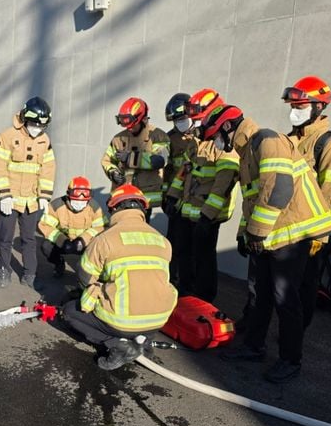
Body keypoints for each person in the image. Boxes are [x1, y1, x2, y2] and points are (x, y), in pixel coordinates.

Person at [202, 105, 331, 383]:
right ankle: (253, 346)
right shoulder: (247, 152)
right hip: (270, 234)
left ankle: (290, 360)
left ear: (227, 127)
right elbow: (253, 200)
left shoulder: (267, 140)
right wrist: (245, 233)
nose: (216, 142)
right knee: (260, 293)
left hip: (294, 234)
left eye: (216, 135)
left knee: (285, 298)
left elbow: (278, 190)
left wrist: (256, 233)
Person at [62, 184, 178, 370]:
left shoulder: (105, 239)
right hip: (157, 321)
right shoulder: (163, 241)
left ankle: (117, 345)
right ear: (142, 209)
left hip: (120, 322)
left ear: (114, 209)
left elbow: (85, 276)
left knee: (69, 312)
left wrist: (96, 289)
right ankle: (144, 341)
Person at [283, 76, 331, 329]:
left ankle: (294, 341)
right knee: (280, 292)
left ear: (318, 106)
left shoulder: (330, 146)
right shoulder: (289, 140)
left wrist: (317, 237)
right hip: (284, 232)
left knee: (303, 290)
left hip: (308, 237)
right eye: (293, 106)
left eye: (300, 106)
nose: (294, 111)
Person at [165, 94, 239, 302]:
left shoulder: (224, 145)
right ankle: (185, 293)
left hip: (207, 215)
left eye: (200, 119)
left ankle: (204, 299)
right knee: (183, 253)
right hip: (187, 209)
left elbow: (223, 185)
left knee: (203, 259)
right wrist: (172, 197)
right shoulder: (197, 142)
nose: (196, 124)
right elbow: (184, 171)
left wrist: (207, 216)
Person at [0, 96, 56, 289]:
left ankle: (30, 273)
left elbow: (48, 168)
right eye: (35, 125)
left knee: (29, 239)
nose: (38, 129)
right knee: (5, 239)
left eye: (42, 126)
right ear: (25, 119)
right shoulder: (8, 136)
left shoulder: (44, 140)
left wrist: (44, 195)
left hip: (31, 200)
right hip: (9, 199)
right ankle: (4, 271)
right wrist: (4, 194)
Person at [101, 97, 169, 222]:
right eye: (126, 125)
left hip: (145, 196)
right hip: (123, 195)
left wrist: (131, 158)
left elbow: (159, 160)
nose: (129, 128)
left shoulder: (158, 136)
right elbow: (107, 161)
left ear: (142, 119)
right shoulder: (118, 139)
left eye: (132, 125)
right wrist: (112, 172)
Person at [38, 176, 106, 278]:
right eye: (76, 201)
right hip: (65, 243)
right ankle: (59, 263)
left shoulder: (94, 207)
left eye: (83, 202)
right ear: (68, 195)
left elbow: (101, 227)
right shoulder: (57, 206)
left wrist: (83, 240)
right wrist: (62, 240)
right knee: (46, 246)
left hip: (84, 244)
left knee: (101, 248)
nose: (80, 204)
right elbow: (45, 225)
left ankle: (90, 272)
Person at [162, 92, 196, 287]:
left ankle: (190, 286)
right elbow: (166, 170)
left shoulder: (202, 137)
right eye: (176, 121)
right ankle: (172, 281)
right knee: (175, 244)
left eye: (181, 119)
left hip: (195, 201)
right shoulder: (171, 139)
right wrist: (167, 197)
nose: (179, 124)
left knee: (193, 249)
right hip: (176, 200)